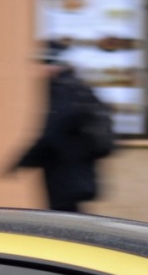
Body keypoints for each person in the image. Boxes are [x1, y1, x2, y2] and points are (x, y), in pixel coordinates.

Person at [12, 53, 114, 213]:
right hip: (76, 167)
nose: (36, 70)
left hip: (65, 169)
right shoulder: (75, 87)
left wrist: (22, 162)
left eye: (40, 65)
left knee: (66, 219)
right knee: (71, 216)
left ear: (53, 66)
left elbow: (52, 132)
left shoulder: (62, 90)